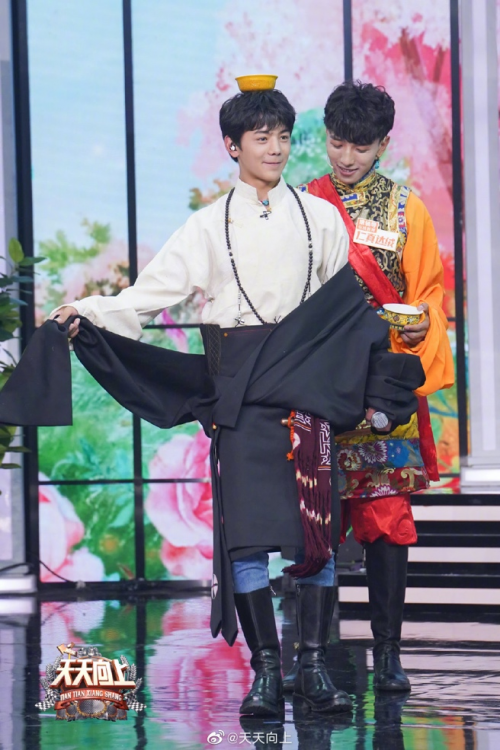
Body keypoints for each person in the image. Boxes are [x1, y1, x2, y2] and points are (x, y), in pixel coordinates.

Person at [46, 82, 423, 718]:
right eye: (261, 138)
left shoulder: (321, 218)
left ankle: (312, 669)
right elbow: (147, 296)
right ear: (232, 146)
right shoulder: (206, 226)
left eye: (283, 137)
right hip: (242, 393)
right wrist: (84, 310)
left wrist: (384, 366)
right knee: (246, 541)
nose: (275, 149)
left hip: (307, 394)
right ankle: (266, 672)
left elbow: (344, 317)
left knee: (314, 534)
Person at [291, 81, 454, 693]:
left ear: (383, 143)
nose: (347, 157)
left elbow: (428, 292)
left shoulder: (407, 209)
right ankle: (312, 658)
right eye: (337, 143)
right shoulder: (304, 204)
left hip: (383, 384)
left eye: (361, 147)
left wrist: (418, 324)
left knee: (387, 517)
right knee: (314, 520)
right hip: (317, 383)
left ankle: (388, 655)